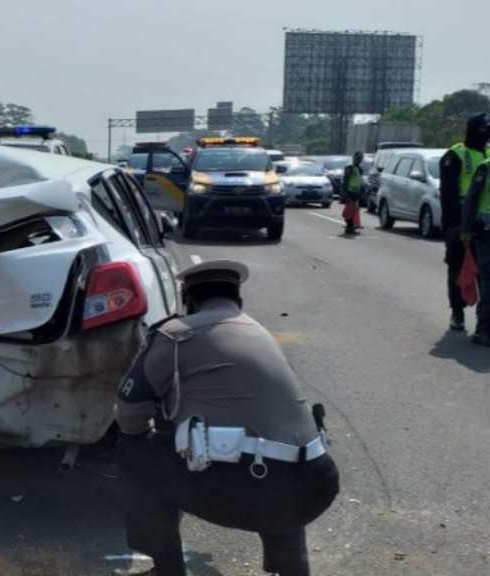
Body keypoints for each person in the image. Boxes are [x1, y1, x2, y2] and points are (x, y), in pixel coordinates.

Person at [114, 260, 340, 576]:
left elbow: (129, 415)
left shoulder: (175, 335)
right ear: (239, 302)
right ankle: (292, 569)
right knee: (279, 454)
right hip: (315, 485)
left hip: (247, 490)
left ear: (189, 300)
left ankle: (167, 570)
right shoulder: (259, 332)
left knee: (133, 452)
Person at [440, 113, 490, 331]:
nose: (487, 134)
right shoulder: (455, 155)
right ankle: (457, 312)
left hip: (483, 222)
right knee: (458, 268)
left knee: (485, 273)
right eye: (484, 129)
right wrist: (454, 226)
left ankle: (483, 320)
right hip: (460, 218)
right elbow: (448, 194)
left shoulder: (488, 154)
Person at [462, 156, 490, 346]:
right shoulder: (484, 167)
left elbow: (472, 198)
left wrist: (466, 229)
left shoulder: (485, 167)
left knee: (488, 278)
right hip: (486, 231)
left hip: (485, 230)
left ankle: (484, 328)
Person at [341, 151, 365, 235]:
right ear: (354, 158)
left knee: (353, 210)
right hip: (350, 192)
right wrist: (344, 193)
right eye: (358, 158)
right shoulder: (349, 168)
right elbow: (345, 181)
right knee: (349, 210)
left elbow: (359, 181)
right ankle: (349, 227)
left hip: (356, 192)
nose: (359, 160)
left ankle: (350, 227)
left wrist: (362, 191)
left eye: (361, 158)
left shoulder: (360, 169)